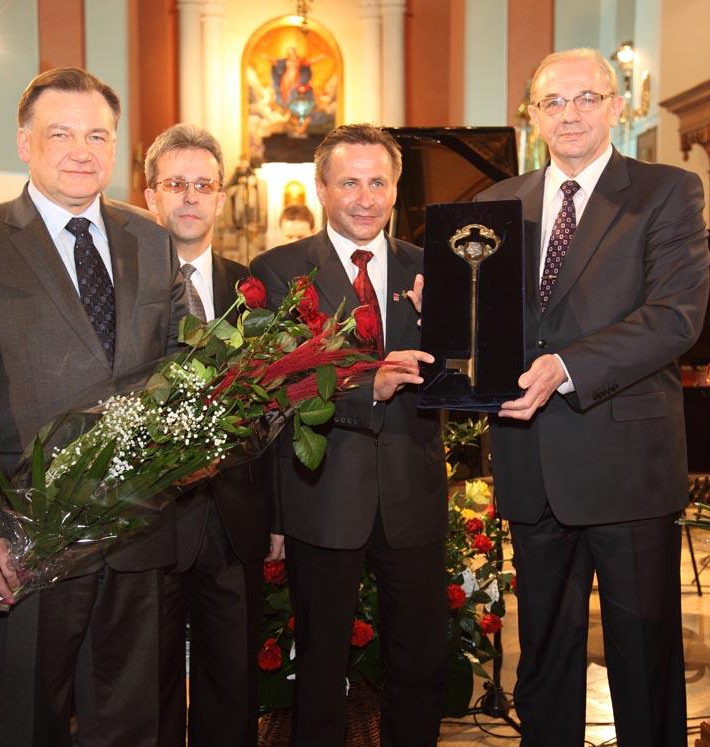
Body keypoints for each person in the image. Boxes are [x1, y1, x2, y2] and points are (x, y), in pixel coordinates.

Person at [0, 68, 188, 747]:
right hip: (26, 538)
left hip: (138, 533)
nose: (80, 150)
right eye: (60, 133)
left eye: (97, 135)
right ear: (24, 143)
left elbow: (182, 367)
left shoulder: (151, 239)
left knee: (130, 725)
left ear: (115, 144)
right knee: (28, 723)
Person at [476, 48, 709, 746]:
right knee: (543, 659)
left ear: (617, 106)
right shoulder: (496, 204)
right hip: (531, 460)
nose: (570, 113)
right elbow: (489, 323)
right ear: (533, 116)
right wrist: (449, 312)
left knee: (643, 658)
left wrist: (565, 366)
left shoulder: (667, 191)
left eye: (586, 97)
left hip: (626, 460)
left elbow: (675, 318)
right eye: (553, 101)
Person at [250, 124, 448, 747]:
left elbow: (468, 373)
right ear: (321, 187)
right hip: (322, 497)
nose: (365, 199)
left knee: (420, 663)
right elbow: (274, 386)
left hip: (413, 496)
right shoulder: (279, 271)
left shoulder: (432, 267)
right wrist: (370, 390)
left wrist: (451, 330)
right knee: (320, 668)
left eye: (378, 183)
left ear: (396, 189)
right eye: (350, 183)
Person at [143, 123, 267, 745]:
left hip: (232, 518)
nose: (190, 197)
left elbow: (274, 410)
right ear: (150, 196)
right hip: (147, 522)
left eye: (203, 185)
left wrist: (275, 520)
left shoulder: (253, 290)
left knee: (232, 683)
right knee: (149, 684)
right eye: (176, 184)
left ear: (220, 197)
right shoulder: (122, 288)